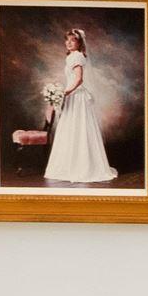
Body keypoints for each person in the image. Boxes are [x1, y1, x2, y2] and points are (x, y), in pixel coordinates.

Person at [43, 26, 118, 187]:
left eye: (73, 40)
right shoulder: (71, 56)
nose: (69, 43)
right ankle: (71, 166)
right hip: (72, 96)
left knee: (78, 129)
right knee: (72, 129)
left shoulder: (77, 56)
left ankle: (81, 167)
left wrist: (64, 93)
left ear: (79, 43)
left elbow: (78, 80)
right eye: (67, 40)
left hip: (76, 97)